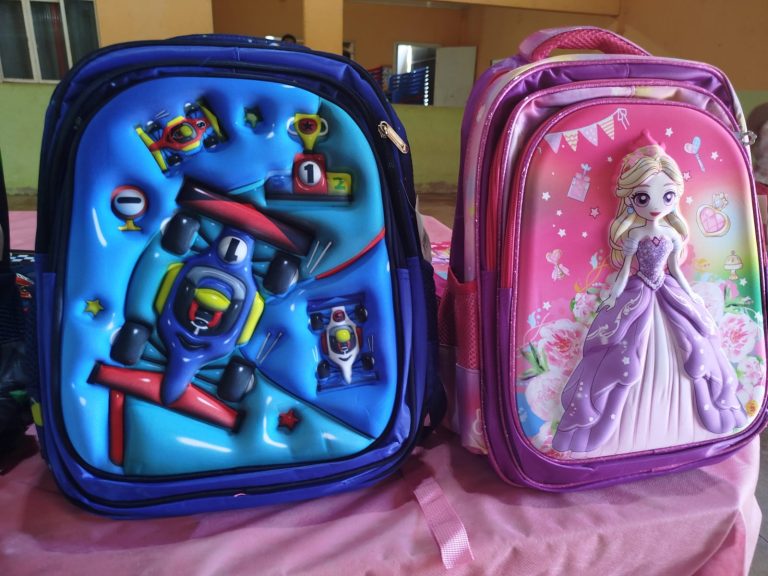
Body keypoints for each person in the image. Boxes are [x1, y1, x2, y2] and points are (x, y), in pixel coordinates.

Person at [551, 136, 747, 455]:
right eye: (643, 197)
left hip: (667, 292)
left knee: (691, 344)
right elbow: (624, 270)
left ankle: (676, 420)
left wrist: (692, 296)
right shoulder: (635, 233)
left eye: (667, 196)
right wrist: (613, 296)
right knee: (626, 348)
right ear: (631, 199)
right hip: (638, 291)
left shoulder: (671, 234)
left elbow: (677, 270)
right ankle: (625, 429)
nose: (656, 206)